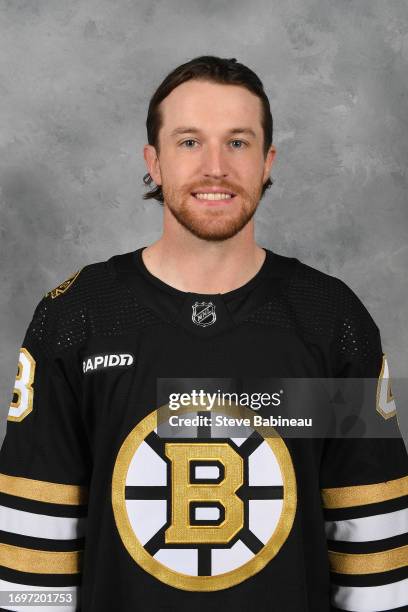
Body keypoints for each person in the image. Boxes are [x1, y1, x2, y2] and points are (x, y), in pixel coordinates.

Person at [0, 55, 407, 612]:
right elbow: (33, 550)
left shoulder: (329, 318)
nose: (215, 166)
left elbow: (372, 549)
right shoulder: (78, 317)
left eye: (238, 142)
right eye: (189, 142)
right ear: (155, 161)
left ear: (268, 161)